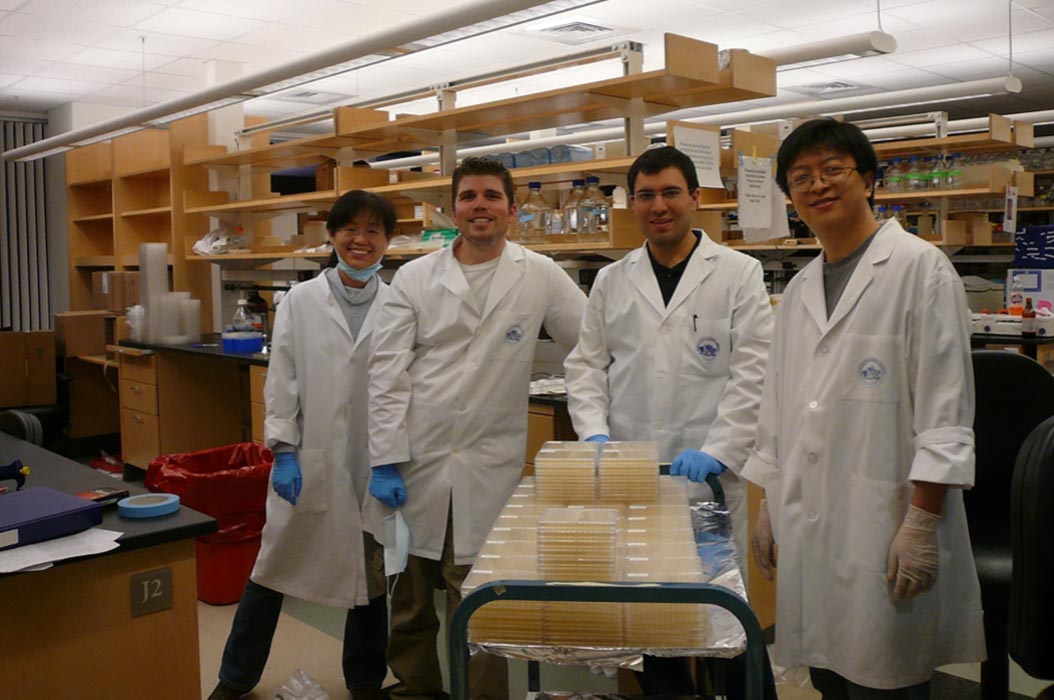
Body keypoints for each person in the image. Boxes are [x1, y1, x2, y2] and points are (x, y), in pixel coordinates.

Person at [746, 118, 985, 699]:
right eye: (801, 177)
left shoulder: (921, 270)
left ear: (870, 181)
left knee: (887, 679)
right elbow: (779, 408)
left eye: (834, 170)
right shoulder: (800, 288)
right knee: (827, 675)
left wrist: (922, 523)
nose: (818, 185)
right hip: (810, 519)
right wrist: (769, 506)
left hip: (887, 519)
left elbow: (946, 414)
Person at [363, 156, 586, 700]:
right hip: (416, 459)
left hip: (489, 464)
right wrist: (386, 455)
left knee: (481, 598)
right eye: (468, 196)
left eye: (490, 196)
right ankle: (418, 688)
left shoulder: (540, 274)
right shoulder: (415, 277)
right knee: (411, 596)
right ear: (454, 209)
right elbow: (386, 369)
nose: (479, 205)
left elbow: (593, 342)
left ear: (511, 209)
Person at [564, 145, 775, 697]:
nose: (659, 205)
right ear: (632, 204)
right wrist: (596, 436)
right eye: (646, 195)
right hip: (638, 477)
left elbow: (755, 372)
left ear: (694, 199)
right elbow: (585, 366)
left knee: (725, 618)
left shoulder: (737, 273)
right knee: (656, 621)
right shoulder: (612, 279)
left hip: (709, 475)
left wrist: (722, 448)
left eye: (671, 193)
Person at [208, 190, 398, 700]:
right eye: (350, 229)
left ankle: (365, 682)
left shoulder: (399, 302)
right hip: (307, 459)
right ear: (331, 235)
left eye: (374, 230)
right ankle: (235, 678)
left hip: (373, 462)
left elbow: (401, 387)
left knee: (370, 577)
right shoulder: (300, 300)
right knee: (272, 568)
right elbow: (283, 378)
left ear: (388, 241)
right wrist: (284, 451)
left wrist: (392, 459)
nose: (361, 240)